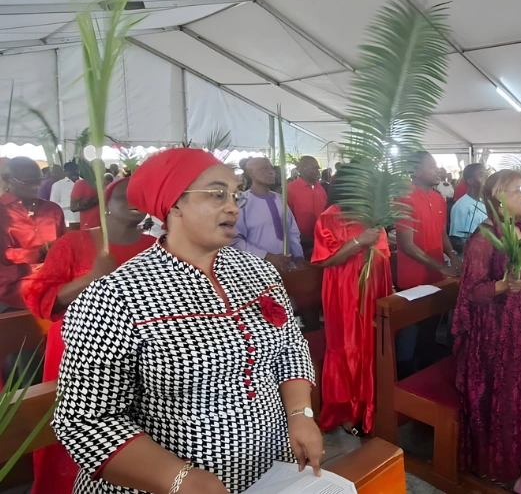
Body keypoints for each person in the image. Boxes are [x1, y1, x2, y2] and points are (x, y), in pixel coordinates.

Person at [52, 148, 322, 494]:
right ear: (174, 205)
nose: (233, 207)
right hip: (164, 485)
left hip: (271, 471)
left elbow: (291, 346)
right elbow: (85, 421)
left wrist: (300, 413)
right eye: (217, 194)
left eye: (235, 195)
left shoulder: (258, 272)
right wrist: (179, 478)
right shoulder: (116, 296)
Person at [22, 178, 155, 494]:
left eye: (140, 196)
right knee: (77, 424)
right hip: (78, 353)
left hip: (136, 355)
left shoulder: (155, 247)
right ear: (106, 204)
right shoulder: (74, 243)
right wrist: (92, 277)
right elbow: (41, 298)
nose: (134, 201)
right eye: (125, 196)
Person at [452, 169, 521, 485]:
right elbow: (472, 291)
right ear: (498, 199)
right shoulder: (483, 238)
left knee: (515, 395)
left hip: (518, 329)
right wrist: (503, 286)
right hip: (492, 334)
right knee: (495, 398)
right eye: (519, 190)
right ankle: (489, 464)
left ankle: (512, 456)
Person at [311, 165, 392, 436]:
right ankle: (347, 410)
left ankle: (370, 406)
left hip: (374, 290)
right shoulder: (330, 217)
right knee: (348, 346)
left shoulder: (373, 217)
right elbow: (325, 260)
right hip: (344, 292)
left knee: (372, 345)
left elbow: (383, 257)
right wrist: (359, 241)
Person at [396, 151, 462, 377]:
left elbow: (441, 232)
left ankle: (424, 372)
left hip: (435, 276)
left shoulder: (438, 198)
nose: (438, 170)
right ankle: (404, 376)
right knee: (410, 331)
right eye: (432, 166)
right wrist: (440, 266)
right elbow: (406, 245)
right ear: (415, 171)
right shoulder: (405, 198)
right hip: (413, 278)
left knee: (430, 329)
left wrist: (452, 256)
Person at [0, 157, 66, 310]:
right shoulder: (2, 212)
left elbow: (63, 247)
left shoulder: (53, 210)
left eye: (38, 181)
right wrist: (41, 251)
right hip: (14, 291)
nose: (36, 187)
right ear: (8, 181)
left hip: (55, 286)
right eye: (28, 182)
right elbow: (4, 255)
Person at [232, 157, 303, 271]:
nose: (271, 172)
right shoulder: (242, 202)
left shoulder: (280, 199)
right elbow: (234, 240)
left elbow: (292, 231)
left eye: (271, 168)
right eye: (264, 169)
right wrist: (267, 257)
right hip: (256, 269)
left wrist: (298, 256)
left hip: (287, 267)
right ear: (250, 174)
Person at [287, 156, 327, 251]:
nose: (317, 172)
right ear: (302, 169)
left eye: (318, 169)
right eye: (314, 168)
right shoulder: (290, 189)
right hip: (301, 242)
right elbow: (287, 219)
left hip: (322, 239)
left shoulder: (320, 188)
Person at [449, 163, 488, 240]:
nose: (485, 179)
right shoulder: (461, 206)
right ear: (470, 181)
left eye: (486, 176)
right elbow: (457, 239)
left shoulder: (483, 202)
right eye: (481, 176)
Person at [50, 161, 80, 227]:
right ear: (65, 172)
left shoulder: (84, 182)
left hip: (83, 219)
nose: (74, 172)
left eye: (76, 170)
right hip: (68, 220)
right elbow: (53, 204)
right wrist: (70, 204)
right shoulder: (58, 185)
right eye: (71, 170)